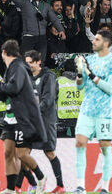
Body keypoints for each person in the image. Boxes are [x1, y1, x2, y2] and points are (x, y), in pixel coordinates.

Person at [0, 40, 47, 194]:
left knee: (21, 154)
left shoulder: (19, 66)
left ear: (3, 52)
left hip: (21, 118)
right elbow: (10, 95)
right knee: (8, 152)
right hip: (10, 118)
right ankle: (10, 189)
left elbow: (14, 88)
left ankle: (41, 177)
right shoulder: (11, 69)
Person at [73, 29, 112, 194]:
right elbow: (80, 86)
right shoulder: (89, 59)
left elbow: (110, 88)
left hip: (105, 112)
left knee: (105, 146)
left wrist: (90, 73)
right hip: (87, 109)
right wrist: (80, 72)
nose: (93, 41)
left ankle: (105, 188)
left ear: (106, 43)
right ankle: (80, 186)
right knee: (80, 142)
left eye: (97, 39)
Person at [26, 49, 65, 193]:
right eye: (26, 63)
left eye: (31, 63)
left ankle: (60, 185)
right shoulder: (27, 77)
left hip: (46, 121)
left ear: (38, 62)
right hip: (31, 121)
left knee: (49, 152)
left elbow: (47, 101)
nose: (28, 65)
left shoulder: (49, 77)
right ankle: (30, 185)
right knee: (23, 153)